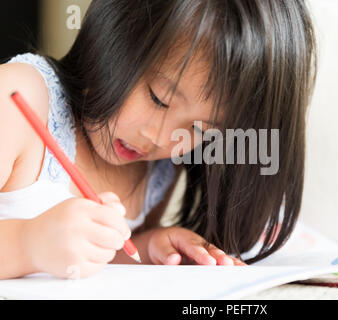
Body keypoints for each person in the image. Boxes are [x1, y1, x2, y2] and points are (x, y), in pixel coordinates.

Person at [0, 0, 316, 279]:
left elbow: (92, 266)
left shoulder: (158, 169)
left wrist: (148, 249)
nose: (159, 138)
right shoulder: (18, 99)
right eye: (159, 99)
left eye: (200, 130)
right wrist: (28, 244)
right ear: (114, 33)